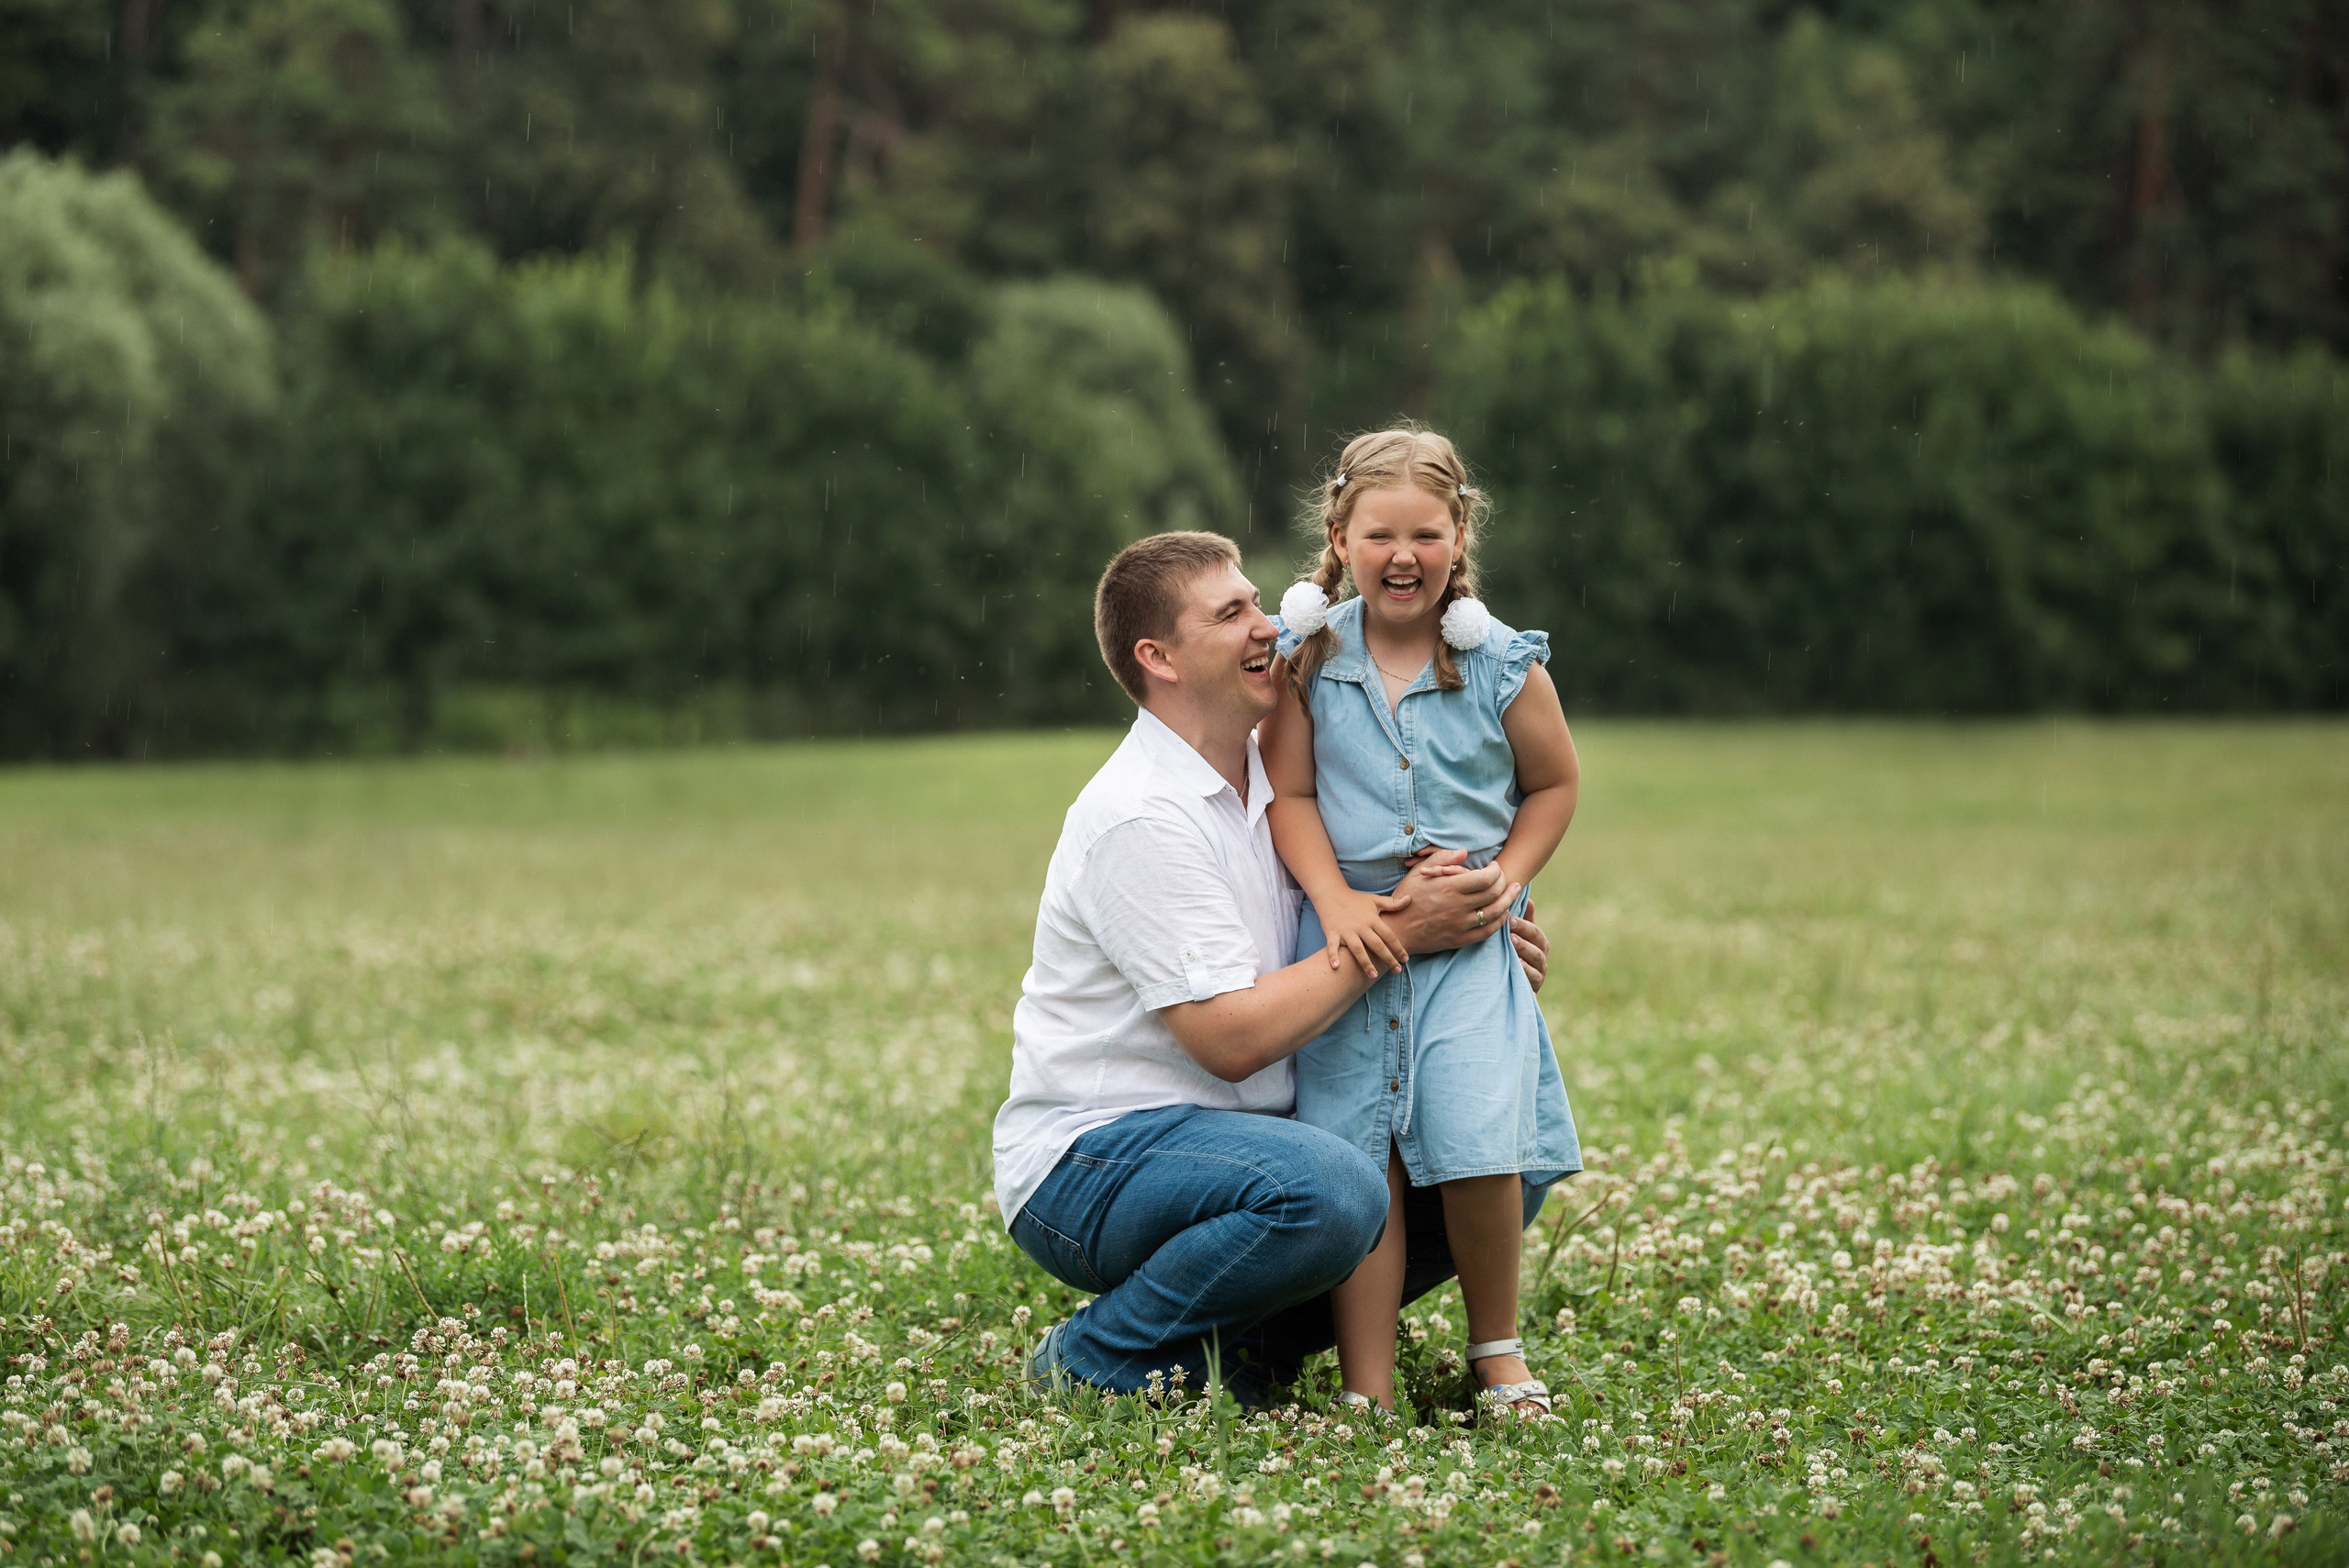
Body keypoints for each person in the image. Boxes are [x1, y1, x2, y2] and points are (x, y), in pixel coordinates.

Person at [992, 529, 1554, 1407]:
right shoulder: (1142, 814)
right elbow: (1229, 1037)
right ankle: (1093, 1355)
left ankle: (1234, 1352)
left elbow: (1400, 865)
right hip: (1097, 1157)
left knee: (1497, 1171)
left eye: (1257, 601)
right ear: (1160, 657)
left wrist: (1479, 926)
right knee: (1334, 1187)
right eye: (1233, 613)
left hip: (1252, 1140)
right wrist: (1408, 933)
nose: (1271, 625)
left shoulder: (1285, 768)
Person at [1260, 428, 1582, 1419]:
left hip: (1469, 947)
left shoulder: (1498, 663)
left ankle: (1499, 1353)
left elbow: (1554, 781)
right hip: (1352, 942)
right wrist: (1336, 900)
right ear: (1340, 538)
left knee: (1480, 1144)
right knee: (1365, 1157)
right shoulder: (1309, 658)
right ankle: (1369, 1381)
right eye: (1380, 533)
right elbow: (1292, 797)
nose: (1404, 554)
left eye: (1426, 534)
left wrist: (1507, 880)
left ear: (1457, 537)